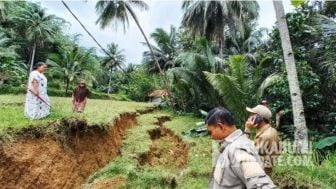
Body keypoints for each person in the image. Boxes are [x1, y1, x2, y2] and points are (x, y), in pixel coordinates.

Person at [206, 107, 277, 189]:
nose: (211, 136)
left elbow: (260, 184)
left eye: (210, 132)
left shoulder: (237, 149)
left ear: (221, 127)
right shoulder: (231, 145)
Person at [244, 105, 281, 176]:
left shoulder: (265, 136)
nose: (250, 117)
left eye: (253, 115)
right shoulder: (272, 131)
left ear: (259, 118)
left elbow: (246, 153)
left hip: (259, 173)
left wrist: (247, 130)